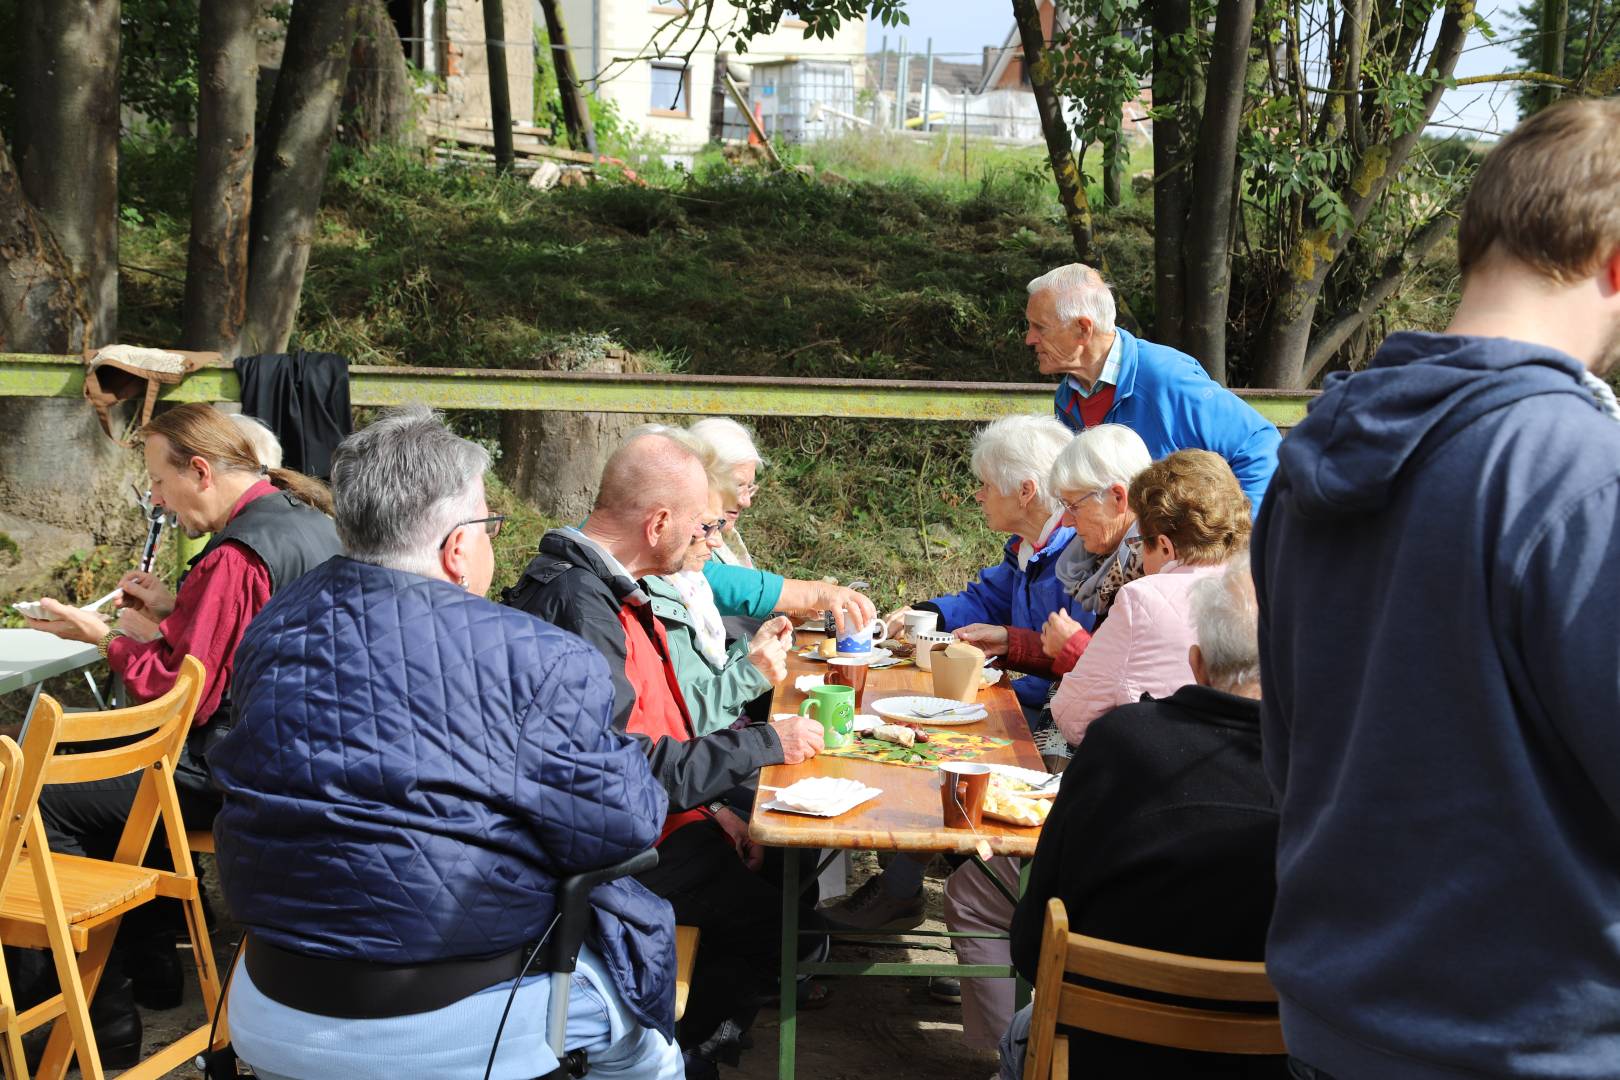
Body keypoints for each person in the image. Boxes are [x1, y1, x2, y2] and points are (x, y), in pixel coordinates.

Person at [1254, 98, 1620, 1080]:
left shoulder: (1305, 465)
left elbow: (1291, 764)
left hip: (1337, 1031)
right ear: (1616, 263)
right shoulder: (1583, 472)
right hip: (1535, 1045)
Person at [208, 408, 680, 1080]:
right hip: (455, 1015)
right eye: (491, 527)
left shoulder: (274, 627)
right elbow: (622, 830)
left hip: (270, 1004)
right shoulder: (538, 657)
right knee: (649, 1054)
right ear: (458, 547)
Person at [503, 429, 828, 1077]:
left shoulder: (607, 586)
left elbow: (657, 730)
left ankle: (686, 1040)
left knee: (775, 892)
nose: (707, 541)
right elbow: (623, 771)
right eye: (701, 526)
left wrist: (713, 811)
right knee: (784, 933)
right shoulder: (581, 606)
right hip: (620, 855)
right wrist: (767, 741)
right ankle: (676, 1052)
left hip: (662, 822)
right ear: (658, 523)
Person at [21, 402, 340, 1057]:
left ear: (200, 471)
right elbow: (245, 642)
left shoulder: (236, 555)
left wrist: (103, 635)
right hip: (306, 756)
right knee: (97, 763)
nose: (158, 502)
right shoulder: (304, 521)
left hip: (244, 771)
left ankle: (91, 1019)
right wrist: (175, 609)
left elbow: (180, 700)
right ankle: (154, 971)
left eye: (158, 483)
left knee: (38, 795)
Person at [984, 558, 1280, 1078]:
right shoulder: (1332, 776)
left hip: (1097, 1056)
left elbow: (1032, 946)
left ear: (1197, 663)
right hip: (1267, 1061)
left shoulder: (1121, 742)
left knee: (1020, 1034)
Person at [836, 416, 1082, 935]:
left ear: (1026, 489)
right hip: (1020, 698)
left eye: (985, 485)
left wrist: (1013, 648)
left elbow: (1075, 659)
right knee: (920, 732)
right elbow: (985, 596)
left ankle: (958, 914)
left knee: (936, 748)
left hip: (1052, 718)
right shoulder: (1030, 547)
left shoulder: (1074, 558)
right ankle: (920, 892)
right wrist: (928, 611)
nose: (976, 495)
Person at [1026, 263, 1279, 513]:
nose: (1029, 339)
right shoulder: (1068, 396)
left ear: (1083, 329)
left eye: (1040, 327)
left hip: (1186, 547)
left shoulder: (1165, 378)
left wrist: (1244, 539)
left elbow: (1259, 444)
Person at [1049, 449, 1250, 747]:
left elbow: (1072, 715)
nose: (1141, 557)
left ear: (1166, 548)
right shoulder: (1272, 591)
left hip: (1162, 774)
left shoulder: (1142, 599)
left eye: (1142, 542)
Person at [641, 427, 790, 736]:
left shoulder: (681, 584)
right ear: (660, 522)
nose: (716, 541)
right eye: (706, 525)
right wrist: (751, 672)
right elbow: (682, 724)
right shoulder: (649, 593)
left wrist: (751, 651)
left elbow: (706, 678)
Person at [688, 416, 762, 568]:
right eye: (737, 486)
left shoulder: (726, 535)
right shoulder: (686, 544)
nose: (746, 502)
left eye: (749, 488)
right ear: (701, 475)